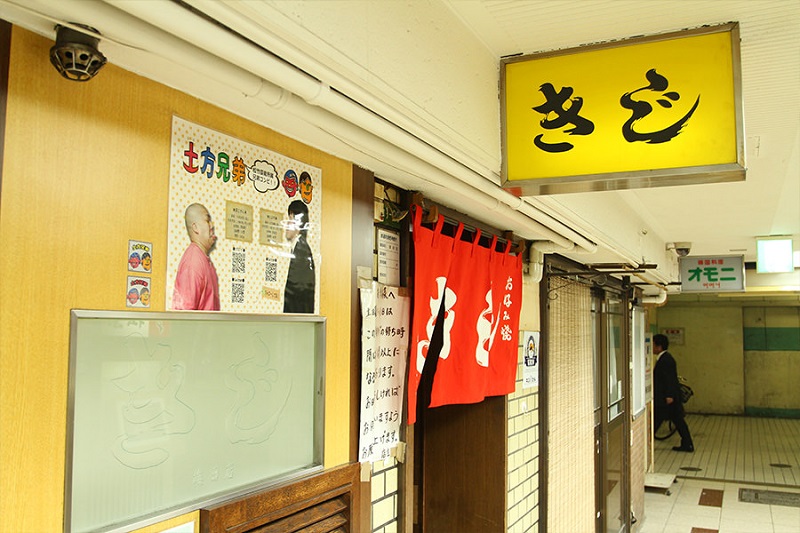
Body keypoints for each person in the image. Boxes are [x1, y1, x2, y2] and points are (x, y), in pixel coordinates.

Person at [172, 203, 220, 311]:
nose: (212, 226)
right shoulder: (193, 262)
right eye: (207, 221)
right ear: (195, 227)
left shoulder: (202, 259)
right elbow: (184, 315)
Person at [653, 333, 694, 452]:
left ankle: (687, 444)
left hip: (668, 398)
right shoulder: (664, 358)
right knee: (678, 421)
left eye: (654, 345)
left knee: (659, 420)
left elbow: (670, 379)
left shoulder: (666, 360)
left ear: (659, 346)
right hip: (668, 398)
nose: (652, 347)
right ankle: (687, 444)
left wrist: (669, 395)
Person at [283, 199, 315, 313]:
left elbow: (299, 294)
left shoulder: (302, 251)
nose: (287, 224)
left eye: (291, 219)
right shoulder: (299, 249)